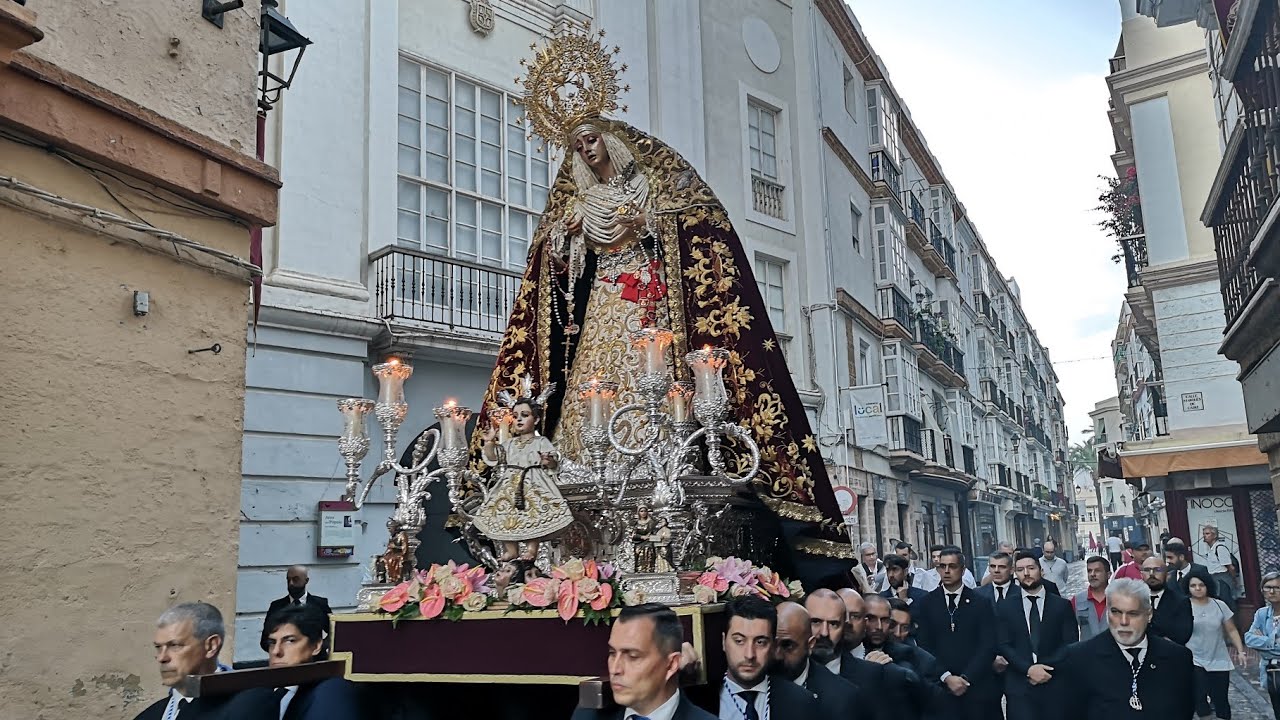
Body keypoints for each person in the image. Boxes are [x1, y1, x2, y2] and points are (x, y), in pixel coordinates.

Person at [475, 79, 843, 556]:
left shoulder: (649, 187)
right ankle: (584, 471)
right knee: (592, 383)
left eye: (591, 138)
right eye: (576, 145)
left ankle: (660, 466)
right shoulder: (580, 203)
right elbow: (561, 277)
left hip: (643, 311)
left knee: (647, 381)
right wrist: (564, 241)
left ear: (610, 139)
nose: (585, 150)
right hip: (603, 309)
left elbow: (684, 238)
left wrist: (646, 227)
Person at [1059, 578, 1196, 719]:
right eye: (1116, 612)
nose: (1124, 622)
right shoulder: (1079, 658)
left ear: (1149, 615)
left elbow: (1184, 710)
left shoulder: (1178, 658)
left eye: (1133, 613)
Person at [134, 603, 277, 720]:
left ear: (211, 646)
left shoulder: (248, 705)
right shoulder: (150, 715)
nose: (162, 657)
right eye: (158, 647)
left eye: (175, 645)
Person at [572, 603, 716, 720]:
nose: (615, 669)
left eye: (633, 656)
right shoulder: (588, 715)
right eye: (612, 653)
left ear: (671, 664)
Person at [475, 395, 573, 563]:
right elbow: (494, 457)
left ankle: (531, 548)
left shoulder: (540, 441)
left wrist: (548, 460)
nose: (519, 419)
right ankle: (511, 549)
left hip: (532, 481)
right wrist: (490, 442)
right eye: (515, 416)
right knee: (503, 512)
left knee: (532, 513)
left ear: (536, 420)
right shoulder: (510, 443)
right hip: (509, 484)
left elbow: (553, 459)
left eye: (525, 415)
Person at [913, 546, 998, 720]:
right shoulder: (926, 603)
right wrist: (946, 677)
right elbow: (924, 645)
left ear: (963, 569)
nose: (946, 571)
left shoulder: (980, 603)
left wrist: (967, 678)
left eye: (952, 566)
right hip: (941, 686)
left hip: (976, 687)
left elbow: (988, 644)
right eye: (942, 566)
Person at [807, 589, 919, 720]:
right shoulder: (786, 671)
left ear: (844, 626)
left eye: (833, 623)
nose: (824, 632)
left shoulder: (880, 674)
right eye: (815, 622)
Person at [996, 551, 1077, 720]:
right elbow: (1004, 644)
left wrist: (1042, 668)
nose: (1026, 573)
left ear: (1041, 571)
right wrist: (1028, 669)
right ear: (1015, 574)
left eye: (1031, 568)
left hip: (1054, 682)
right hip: (1019, 687)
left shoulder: (1061, 606)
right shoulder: (1005, 607)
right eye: (1020, 569)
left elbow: (1070, 644)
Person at [717, 595, 819, 720]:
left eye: (760, 642)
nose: (749, 655)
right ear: (723, 642)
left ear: (773, 646)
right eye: (739, 641)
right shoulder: (699, 700)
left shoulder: (801, 702)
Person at [262, 605, 360, 720]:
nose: (276, 651)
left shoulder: (331, 691)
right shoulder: (255, 692)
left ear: (316, 646)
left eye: (290, 641)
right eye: (272, 642)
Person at [771, 601, 861, 719]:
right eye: (772, 644)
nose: (777, 655)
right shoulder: (752, 682)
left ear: (810, 645)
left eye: (787, 645)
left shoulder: (841, 697)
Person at [1186, 574, 1246, 720]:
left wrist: (1240, 651)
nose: (1198, 588)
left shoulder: (1219, 605)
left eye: (1201, 585)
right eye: (1193, 586)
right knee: (1199, 697)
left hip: (1218, 658)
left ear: (1208, 586)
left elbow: (1231, 629)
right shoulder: (1184, 606)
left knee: (1221, 700)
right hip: (1194, 658)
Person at [1245, 571, 1280, 718]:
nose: (1272, 591)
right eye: (1268, 587)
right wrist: (1273, 641)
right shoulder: (1262, 613)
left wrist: (1263, 642)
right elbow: (1248, 638)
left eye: (1277, 588)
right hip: (1271, 671)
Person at [1140, 556, 1192, 645]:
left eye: (1158, 570)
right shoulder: (1135, 600)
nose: (1152, 574)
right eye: (1147, 570)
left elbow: (1183, 636)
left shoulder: (1180, 601)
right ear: (1141, 574)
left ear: (1167, 575)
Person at [266, 566, 331, 620]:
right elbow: (267, 634)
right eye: (288, 580)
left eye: (295, 579)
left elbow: (333, 631)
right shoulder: (276, 606)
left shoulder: (320, 604)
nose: (291, 583)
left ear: (306, 581)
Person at [1072, 556, 1111, 641]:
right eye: (1089, 571)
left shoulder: (1119, 598)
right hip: (1086, 653)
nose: (1092, 574)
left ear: (1108, 575)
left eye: (1097, 571)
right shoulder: (1077, 600)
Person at [1202, 524, 1240, 609]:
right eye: (1204, 534)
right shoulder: (1211, 549)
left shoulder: (1220, 548)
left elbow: (1230, 567)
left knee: (1227, 603)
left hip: (1222, 579)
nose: (1204, 536)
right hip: (1215, 578)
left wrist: (1234, 580)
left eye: (1207, 534)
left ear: (1214, 535)